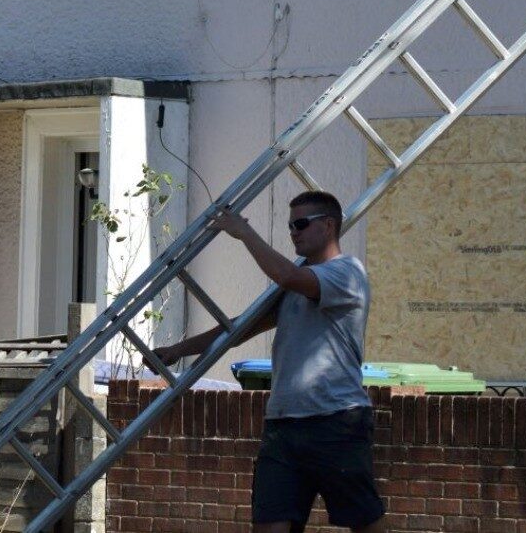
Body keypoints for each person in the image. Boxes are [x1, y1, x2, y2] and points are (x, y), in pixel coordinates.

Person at [152, 190, 387, 533]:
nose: (294, 232)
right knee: (270, 526)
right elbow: (240, 327)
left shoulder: (347, 272)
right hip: (283, 426)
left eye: (302, 224)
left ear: (329, 226)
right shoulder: (295, 285)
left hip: (335, 421)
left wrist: (244, 232)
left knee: (363, 521)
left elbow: (290, 276)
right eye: (291, 225)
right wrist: (178, 350)